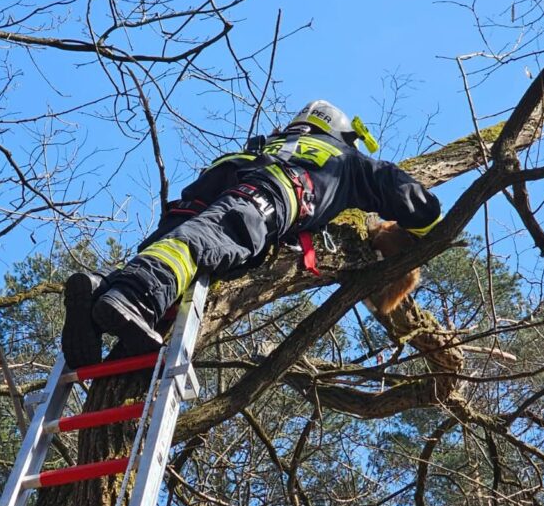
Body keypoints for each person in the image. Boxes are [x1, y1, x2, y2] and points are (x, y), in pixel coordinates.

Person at [61, 99, 441, 368]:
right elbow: (414, 201)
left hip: (214, 184)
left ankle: (98, 298)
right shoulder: (347, 159)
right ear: (343, 133)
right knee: (211, 239)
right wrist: (426, 233)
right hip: (276, 190)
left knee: (176, 240)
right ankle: (137, 296)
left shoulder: (272, 141)